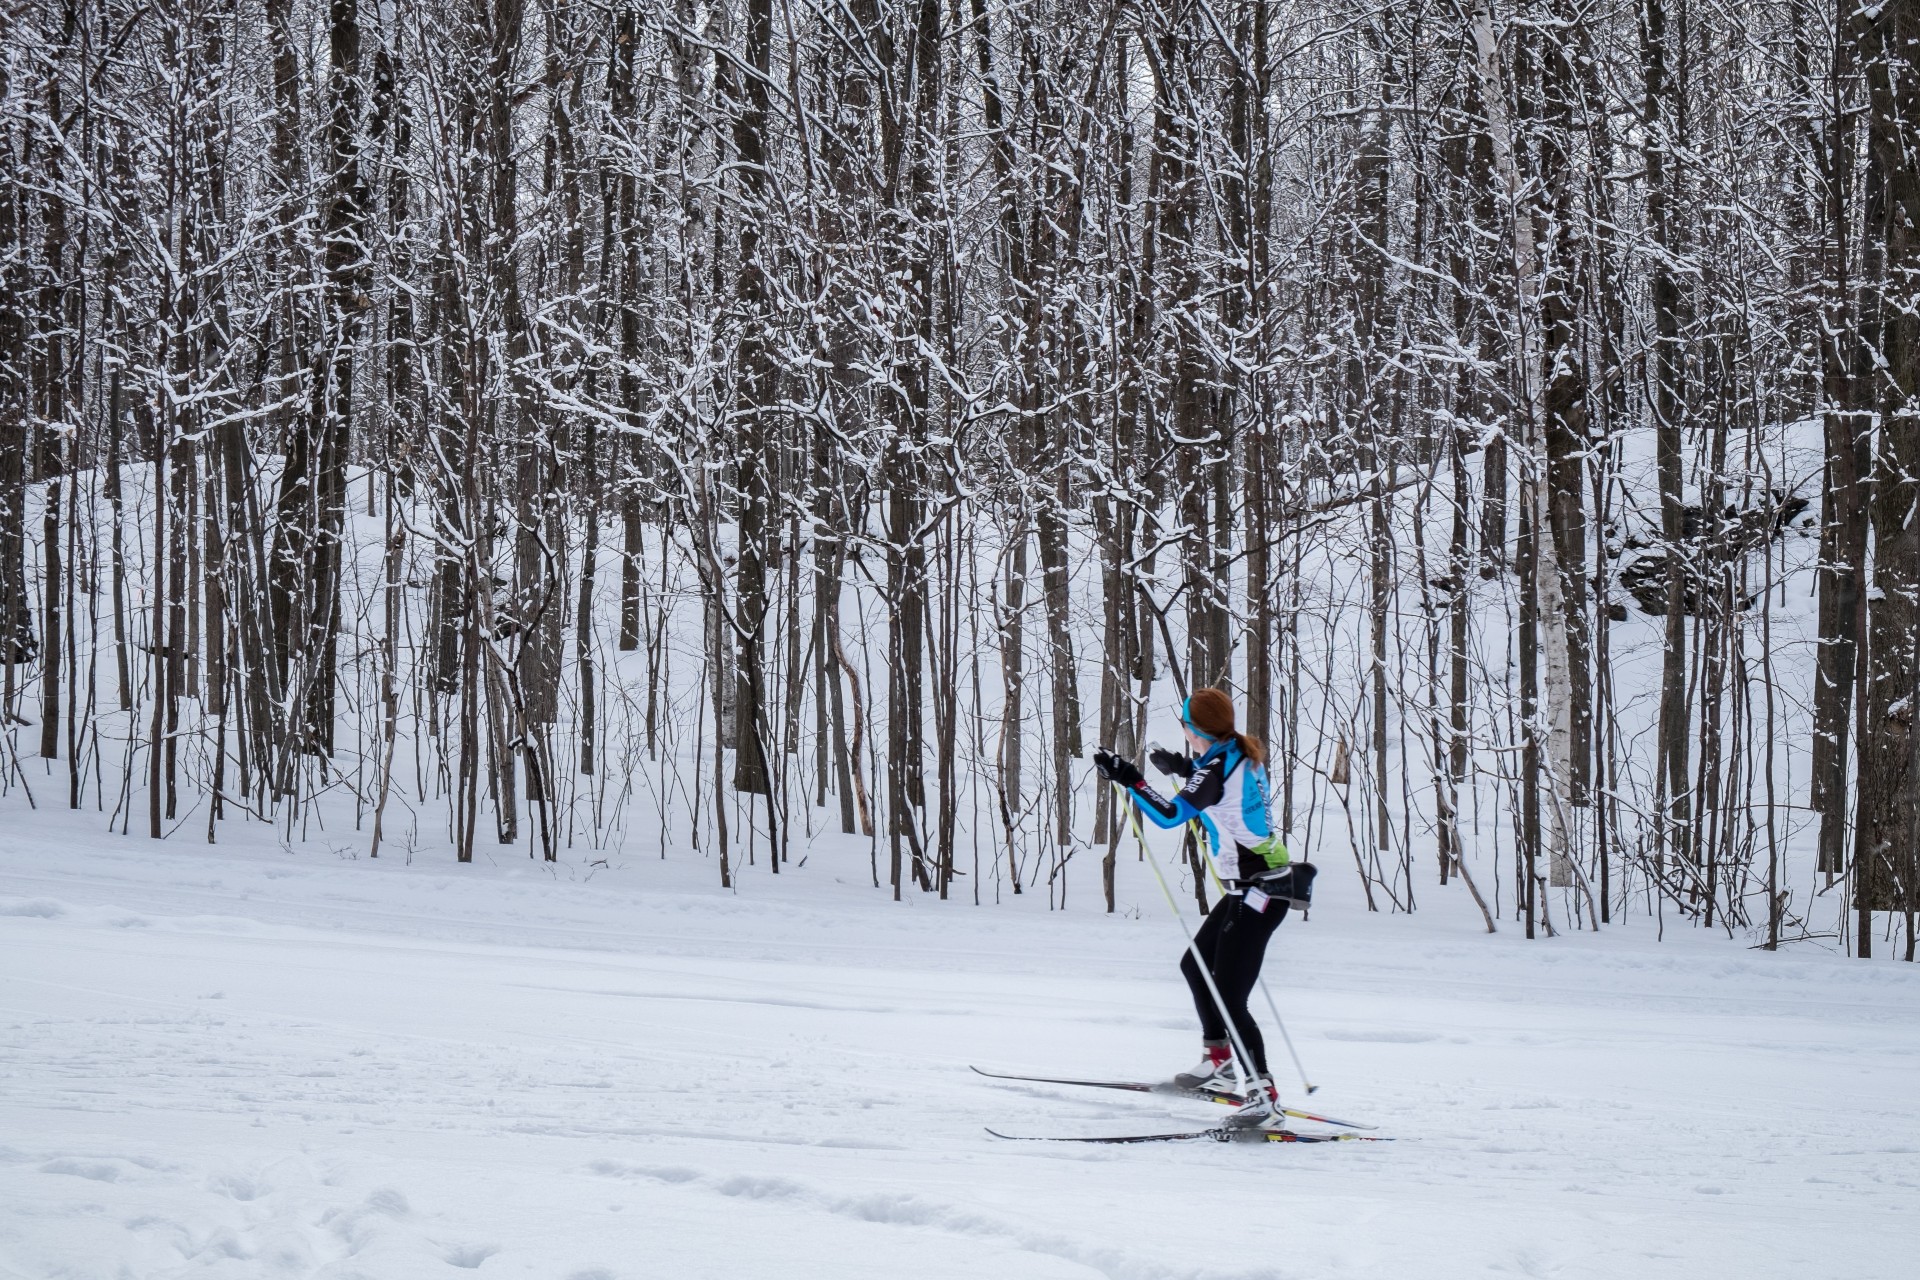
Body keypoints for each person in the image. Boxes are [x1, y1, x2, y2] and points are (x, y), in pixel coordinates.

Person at [1093, 688, 1315, 1129]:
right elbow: (1215, 781)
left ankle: (1263, 1096)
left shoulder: (1216, 764)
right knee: (1196, 967)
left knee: (1231, 997)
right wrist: (1182, 767)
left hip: (1261, 891)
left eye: (1185, 727)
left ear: (1193, 730)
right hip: (1249, 888)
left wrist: (1130, 779)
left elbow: (1171, 815)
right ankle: (1219, 1065)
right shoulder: (1235, 750)